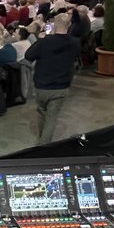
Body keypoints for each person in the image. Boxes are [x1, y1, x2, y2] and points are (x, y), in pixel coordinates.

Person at [25, 15, 82, 145]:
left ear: (54, 25)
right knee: (52, 117)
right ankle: (44, 144)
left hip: (42, 86)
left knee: (41, 113)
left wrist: (40, 40)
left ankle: (42, 143)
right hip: (61, 87)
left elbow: (28, 56)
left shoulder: (44, 41)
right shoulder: (75, 43)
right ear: (69, 26)